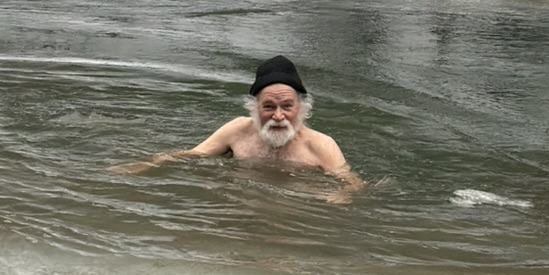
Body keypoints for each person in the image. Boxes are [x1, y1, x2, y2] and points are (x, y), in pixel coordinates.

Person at [110, 55, 363, 197]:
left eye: (287, 106)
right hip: (244, 202)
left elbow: (352, 183)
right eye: (268, 106)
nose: (278, 116)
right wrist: (149, 163)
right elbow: (194, 154)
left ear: (302, 108)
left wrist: (338, 200)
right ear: (254, 108)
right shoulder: (238, 130)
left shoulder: (321, 145)